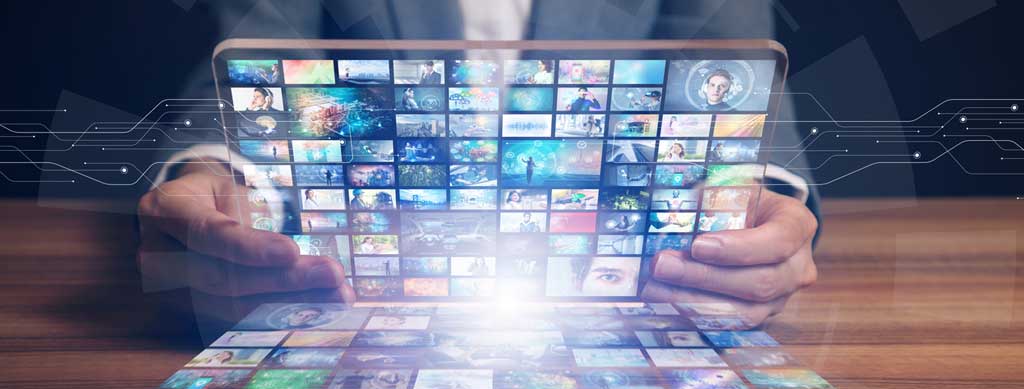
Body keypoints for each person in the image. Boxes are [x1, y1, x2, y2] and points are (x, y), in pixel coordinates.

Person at [138, 1, 818, 328]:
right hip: (362, 277)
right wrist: (219, 173)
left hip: (606, 278)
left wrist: (747, 196)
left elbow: (725, 62)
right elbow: (256, 48)